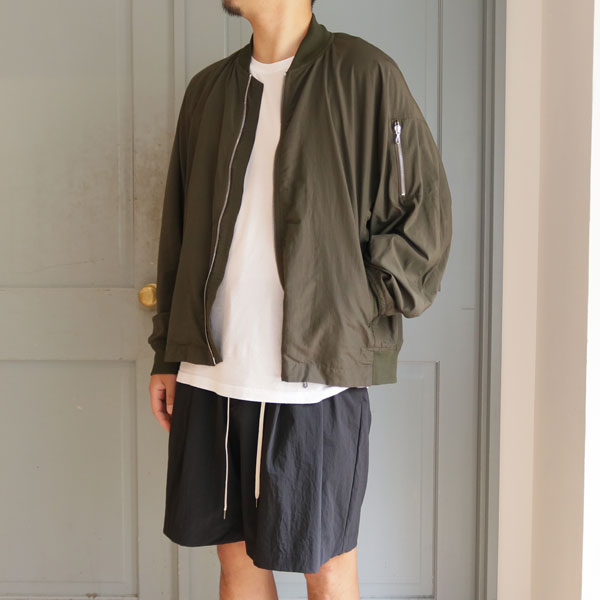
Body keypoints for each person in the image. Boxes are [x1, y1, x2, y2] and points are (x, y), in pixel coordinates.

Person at [148, 0, 452, 598]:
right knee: (236, 564)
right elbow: (177, 235)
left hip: (318, 378)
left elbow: (424, 221)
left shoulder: (364, 74)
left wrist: (348, 309)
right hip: (212, 372)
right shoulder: (208, 90)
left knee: (327, 567)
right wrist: (167, 351)